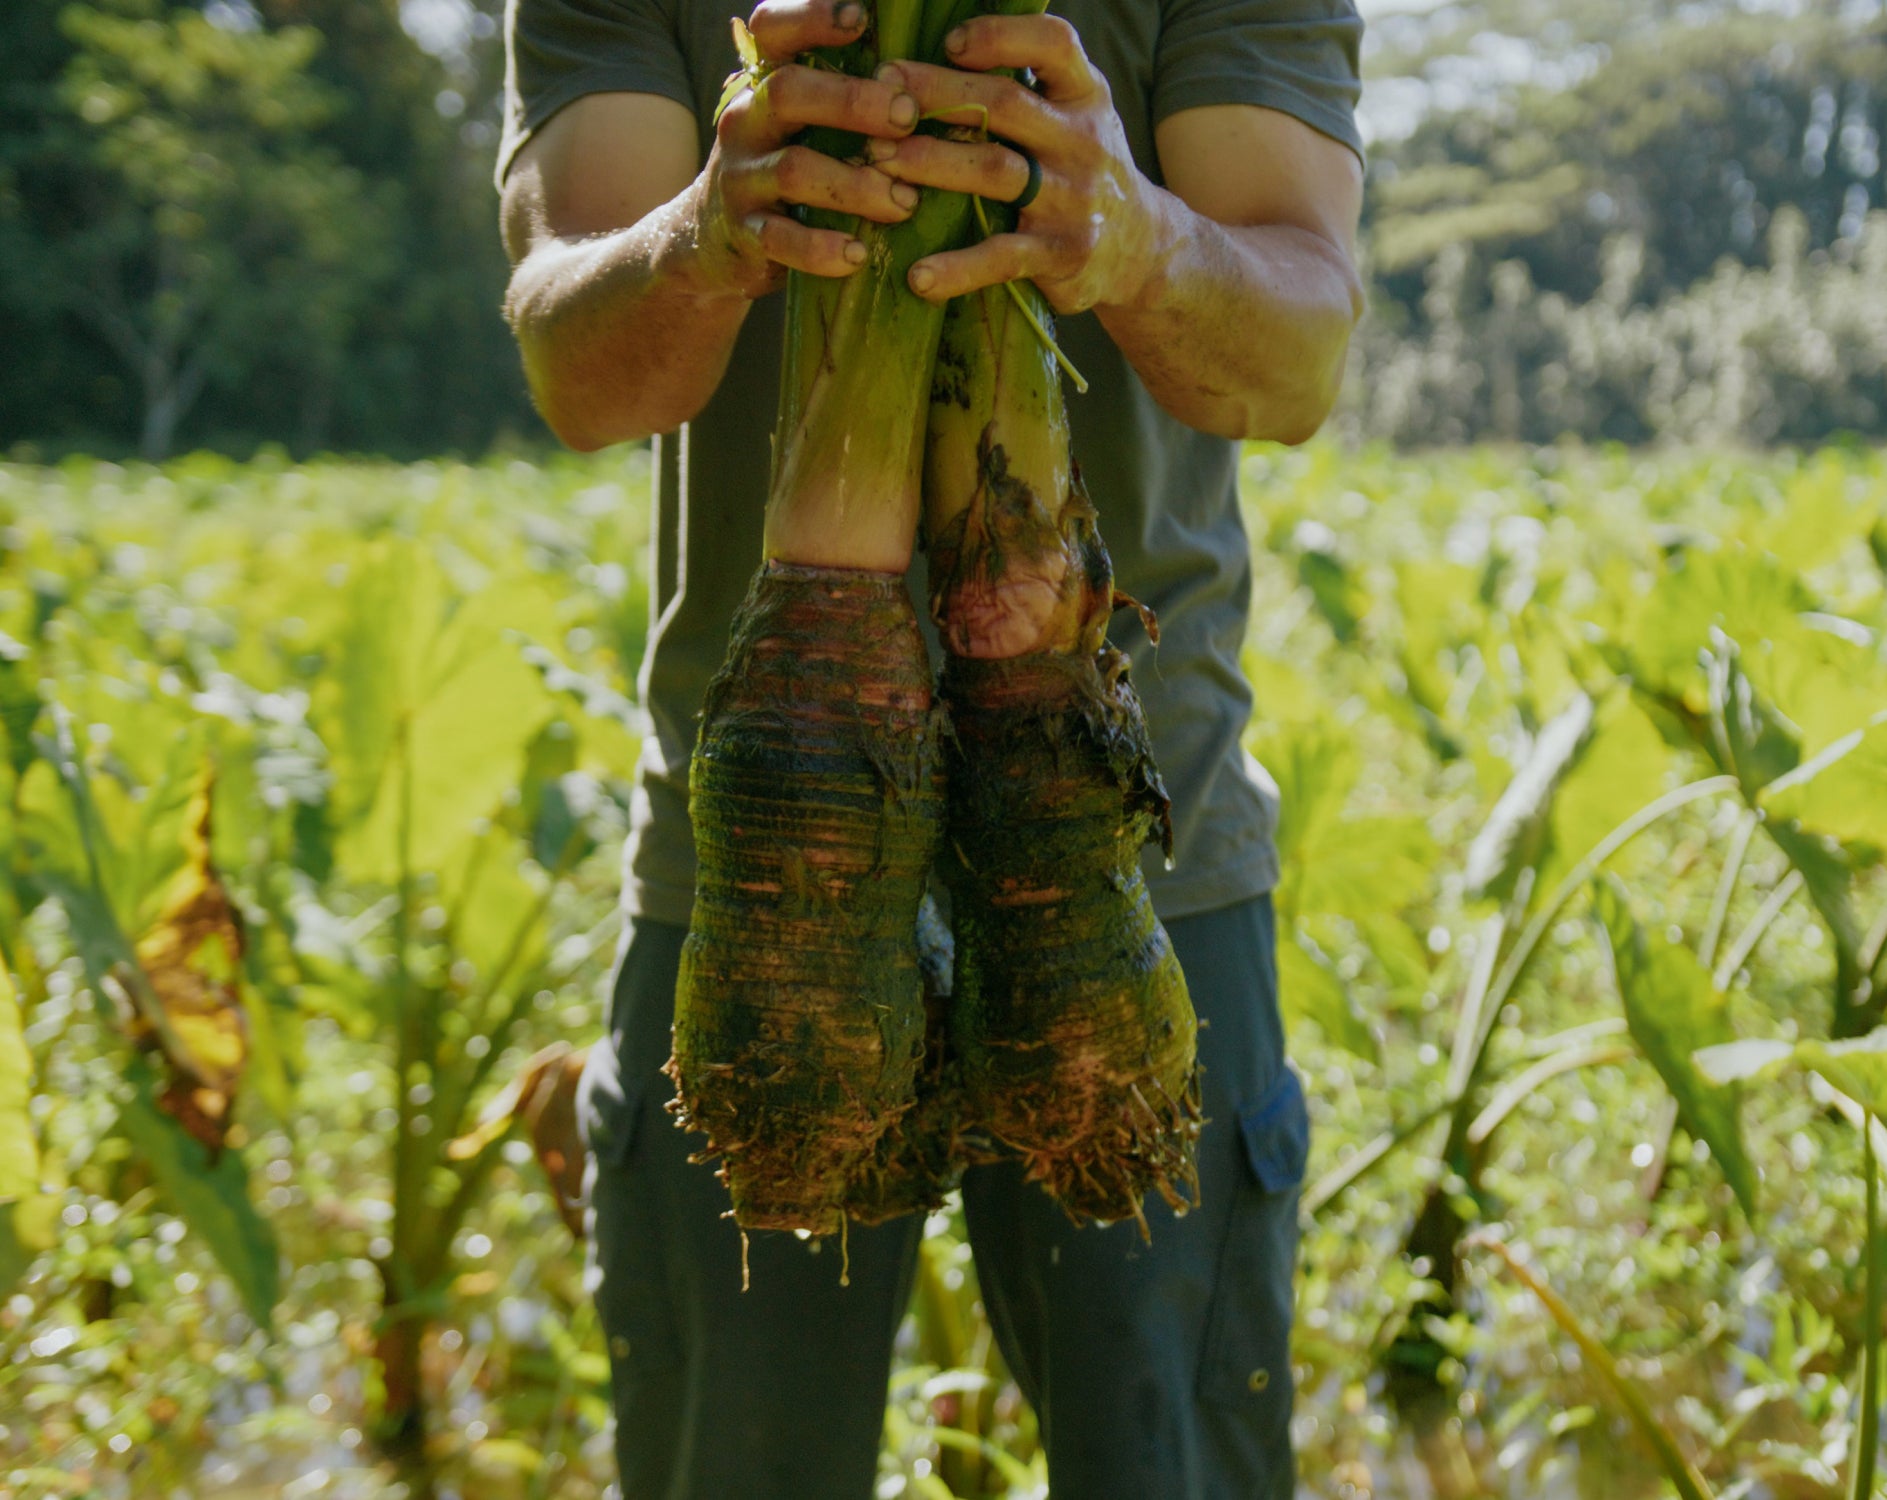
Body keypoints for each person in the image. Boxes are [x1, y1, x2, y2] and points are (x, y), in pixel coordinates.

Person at [497, 0, 1363, 1493]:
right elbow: (585, 373)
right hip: (770, 840)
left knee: (1168, 1460)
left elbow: (1290, 364)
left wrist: (1138, 234)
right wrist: (705, 230)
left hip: (1131, 837)